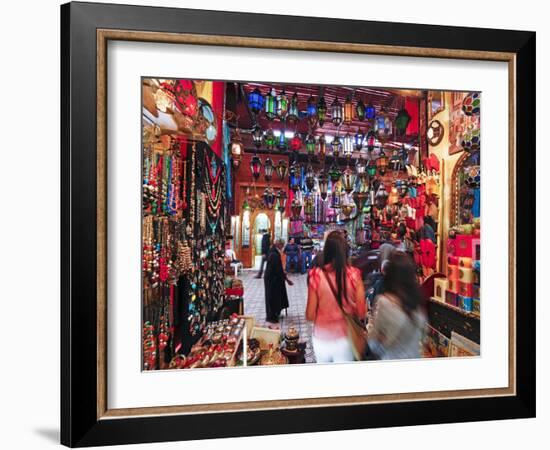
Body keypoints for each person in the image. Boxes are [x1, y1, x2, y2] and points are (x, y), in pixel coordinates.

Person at [306, 231, 366, 363]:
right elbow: (362, 314)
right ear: (346, 251)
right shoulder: (354, 275)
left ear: (326, 251)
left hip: (321, 339)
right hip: (344, 340)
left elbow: (310, 315)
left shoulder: (316, 275)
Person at [368, 251, 427, 360]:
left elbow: (373, 344)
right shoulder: (417, 302)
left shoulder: (384, 302)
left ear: (389, 275)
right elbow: (423, 339)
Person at [264, 239, 293, 323]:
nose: (283, 247)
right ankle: (272, 316)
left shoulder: (273, 251)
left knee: (274, 296)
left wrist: (284, 276)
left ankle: (276, 312)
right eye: (282, 245)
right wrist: (286, 278)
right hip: (272, 279)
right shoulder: (274, 254)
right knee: (272, 297)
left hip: (272, 278)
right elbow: (277, 269)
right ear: (279, 245)